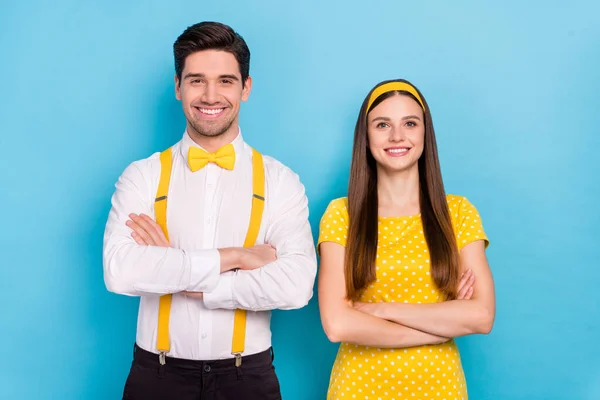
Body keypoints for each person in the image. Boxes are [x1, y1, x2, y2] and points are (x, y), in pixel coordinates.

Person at [103, 21, 317, 400]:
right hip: (156, 376)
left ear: (245, 88)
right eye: (197, 80)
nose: (211, 94)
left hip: (247, 377)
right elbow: (121, 272)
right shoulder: (143, 175)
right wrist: (237, 256)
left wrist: (186, 276)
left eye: (226, 81)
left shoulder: (281, 181)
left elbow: (297, 285)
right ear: (178, 87)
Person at [317, 79, 495, 399]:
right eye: (383, 124)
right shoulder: (341, 214)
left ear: (425, 132)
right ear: (366, 136)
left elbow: (480, 317)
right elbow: (337, 324)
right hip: (359, 387)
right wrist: (438, 329)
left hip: (439, 387)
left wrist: (379, 310)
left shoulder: (459, 213)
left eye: (410, 123)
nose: (397, 136)